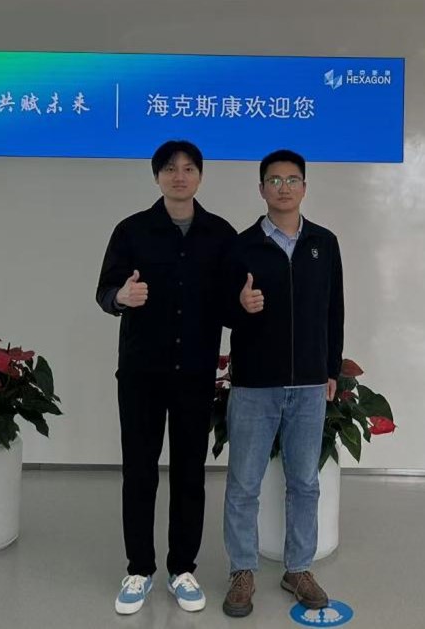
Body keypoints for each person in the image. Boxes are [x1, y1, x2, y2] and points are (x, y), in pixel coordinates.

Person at [94, 140, 236, 615]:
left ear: (200, 176)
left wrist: (244, 305)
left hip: (195, 372)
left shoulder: (220, 234)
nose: (180, 176)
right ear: (156, 176)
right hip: (142, 373)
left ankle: (182, 569)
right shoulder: (132, 230)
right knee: (139, 471)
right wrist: (121, 297)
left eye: (189, 168)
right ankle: (139, 569)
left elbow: (231, 303)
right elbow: (104, 290)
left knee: (189, 473)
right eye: (171, 169)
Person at [220, 149, 345, 617]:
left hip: (309, 384)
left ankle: (298, 568)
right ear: (261, 189)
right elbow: (220, 309)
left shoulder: (324, 243)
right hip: (255, 384)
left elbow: (334, 310)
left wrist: (330, 369)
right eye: (274, 180)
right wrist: (239, 307)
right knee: (244, 483)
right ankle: (242, 570)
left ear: (305, 187)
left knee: (305, 482)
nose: (284, 187)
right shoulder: (242, 246)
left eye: (292, 179)